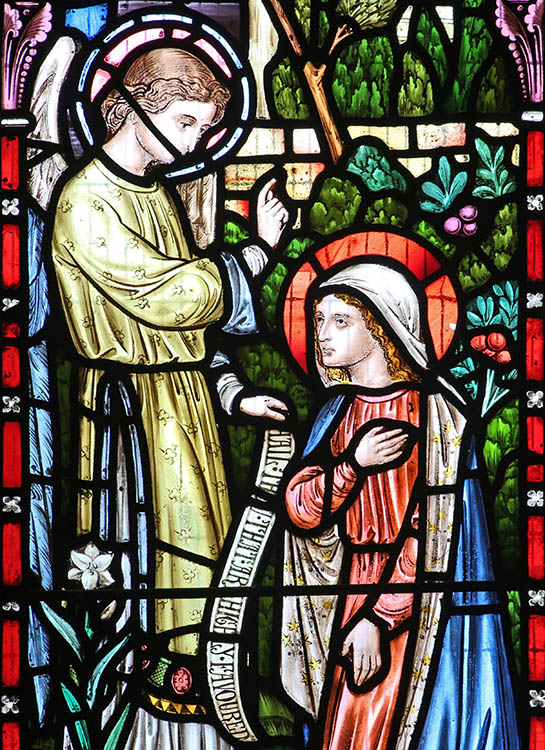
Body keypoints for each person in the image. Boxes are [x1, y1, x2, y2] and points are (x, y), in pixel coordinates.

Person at [52, 46, 288, 747]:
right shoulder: (85, 201)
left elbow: (188, 334)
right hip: (128, 417)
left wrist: (231, 393)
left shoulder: (156, 196)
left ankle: (198, 720)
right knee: (148, 566)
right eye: (186, 122)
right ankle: (141, 730)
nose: (192, 143)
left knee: (200, 568)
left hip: (182, 407)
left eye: (202, 129)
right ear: (136, 107)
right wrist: (256, 252)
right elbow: (171, 297)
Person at [280, 262, 519, 749]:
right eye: (319, 319)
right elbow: (300, 508)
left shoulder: (437, 418)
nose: (322, 334)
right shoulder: (335, 413)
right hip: (351, 591)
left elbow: (435, 531)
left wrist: (379, 617)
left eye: (340, 320)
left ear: (382, 326)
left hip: (419, 606)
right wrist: (352, 465)